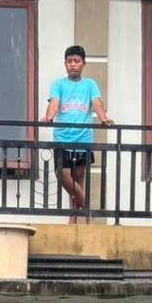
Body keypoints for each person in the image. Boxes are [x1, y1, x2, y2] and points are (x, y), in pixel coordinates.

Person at [44, 45, 114, 223]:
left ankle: (74, 219)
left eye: (76, 61)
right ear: (65, 64)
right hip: (62, 138)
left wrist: (103, 118)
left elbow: (97, 103)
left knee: (77, 181)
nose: (73, 65)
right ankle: (87, 209)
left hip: (83, 139)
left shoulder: (90, 84)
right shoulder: (59, 84)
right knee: (63, 175)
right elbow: (54, 103)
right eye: (69, 61)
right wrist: (49, 117)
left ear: (83, 64)